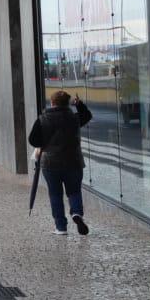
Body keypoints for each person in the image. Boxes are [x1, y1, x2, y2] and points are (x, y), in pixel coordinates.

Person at [28, 89, 93, 236]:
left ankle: (61, 227)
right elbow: (87, 116)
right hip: (73, 161)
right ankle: (76, 213)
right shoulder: (74, 118)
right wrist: (79, 104)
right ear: (67, 104)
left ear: (52, 103)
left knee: (55, 194)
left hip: (50, 163)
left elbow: (33, 140)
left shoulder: (42, 119)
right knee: (74, 191)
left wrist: (44, 143)